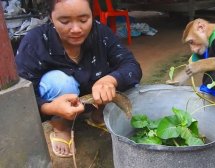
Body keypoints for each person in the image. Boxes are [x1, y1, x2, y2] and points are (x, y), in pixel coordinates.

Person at [15, 0, 142, 157]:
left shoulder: (101, 33)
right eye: (65, 21)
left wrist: (110, 80)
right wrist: (50, 108)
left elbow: (131, 66)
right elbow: (23, 96)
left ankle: (98, 114)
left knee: (124, 79)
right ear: (51, 17)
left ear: (92, 15)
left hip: (94, 99)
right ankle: (61, 126)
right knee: (59, 82)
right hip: (56, 102)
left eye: (83, 20)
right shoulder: (35, 41)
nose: (76, 29)